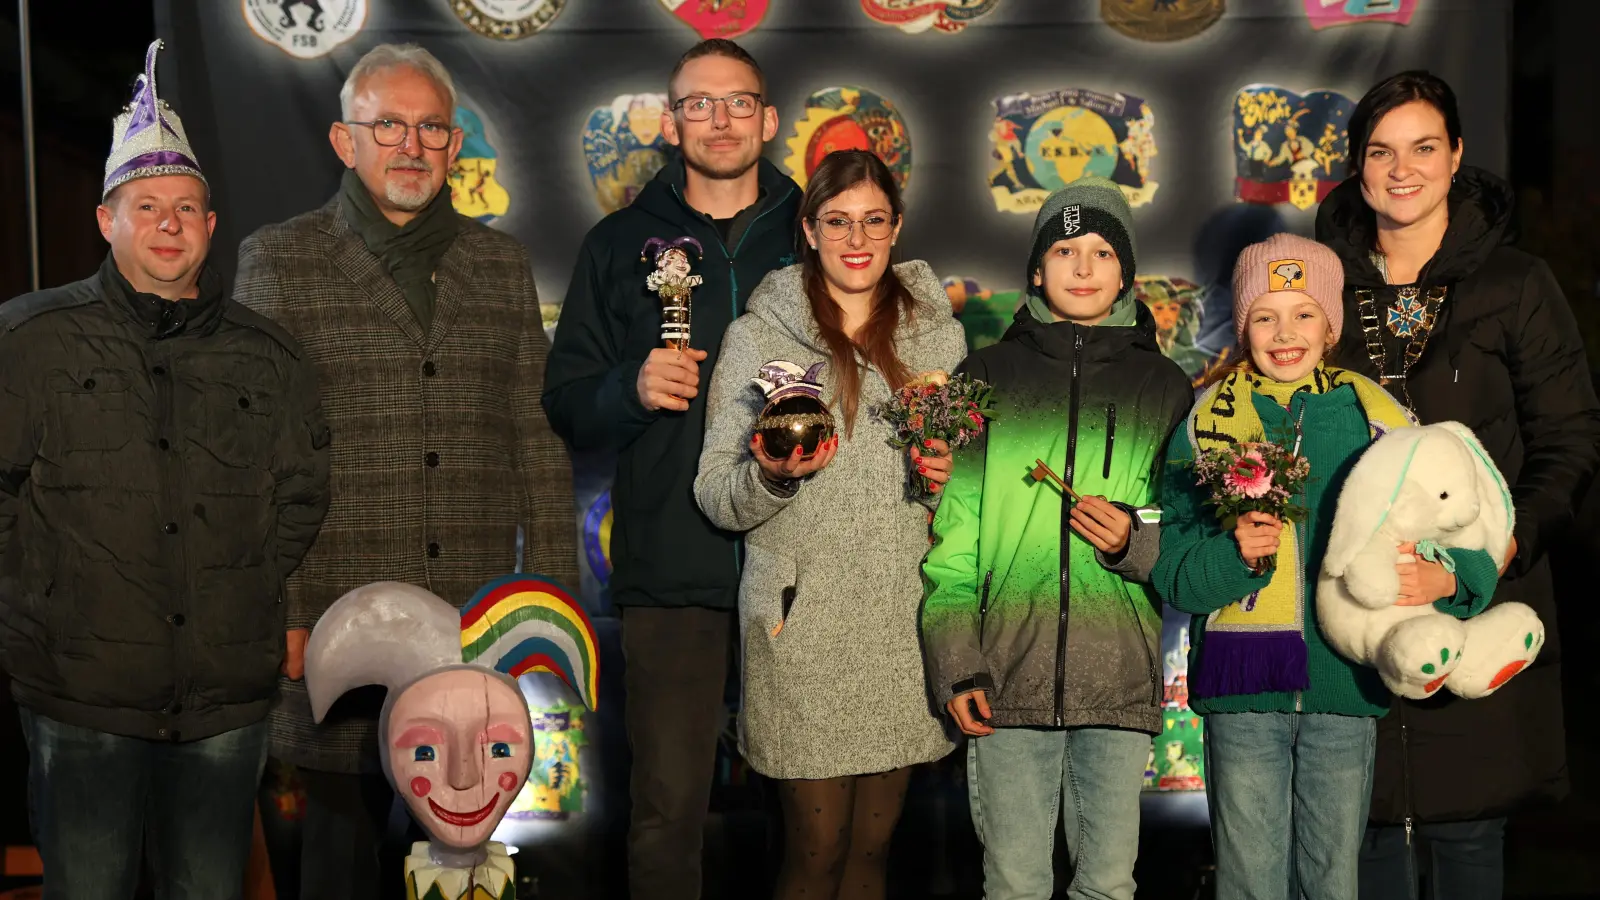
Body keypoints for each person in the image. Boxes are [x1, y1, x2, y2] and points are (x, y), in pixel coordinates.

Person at [234, 42, 577, 900]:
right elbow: (255, 458)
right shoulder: (280, 261)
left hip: (477, 624)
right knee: (341, 862)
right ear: (345, 141)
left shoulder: (499, 266)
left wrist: (553, 611)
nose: (411, 144)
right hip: (339, 626)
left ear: (456, 147)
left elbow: (536, 439)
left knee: (469, 860)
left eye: (431, 127)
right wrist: (285, 610)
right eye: (388, 124)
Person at [0, 39, 330, 898]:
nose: (169, 224)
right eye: (146, 206)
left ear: (212, 225)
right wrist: (40, 604)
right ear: (106, 220)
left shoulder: (270, 356)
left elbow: (302, 495)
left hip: (222, 705)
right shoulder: (28, 340)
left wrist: (245, 584)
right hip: (80, 698)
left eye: (186, 207)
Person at [1315, 71, 1600, 900]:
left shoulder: (1514, 284)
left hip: (1479, 600)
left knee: (1471, 836)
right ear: (1358, 167)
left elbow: (1571, 438)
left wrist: (1492, 554)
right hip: (1358, 617)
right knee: (1363, 835)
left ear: (1457, 157)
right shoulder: (1322, 288)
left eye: (1423, 148)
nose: (1401, 169)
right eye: (1381, 151)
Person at [1152, 233, 1502, 900]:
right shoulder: (1206, 423)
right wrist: (1232, 557)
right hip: (1242, 688)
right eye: (1264, 315)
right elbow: (1173, 572)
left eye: (1304, 312)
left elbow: (1460, 524)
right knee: (1251, 879)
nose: (1285, 333)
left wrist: (1453, 580)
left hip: (1345, 682)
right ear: (1243, 323)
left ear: (1332, 323)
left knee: (1332, 878)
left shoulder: (1379, 418)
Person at [541, 38, 802, 900]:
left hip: (802, 565)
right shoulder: (619, 245)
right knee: (666, 811)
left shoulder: (819, 231)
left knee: (809, 810)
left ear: (767, 118)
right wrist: (632, 385)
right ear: (671, 119)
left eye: (738, 103)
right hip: (672, 564)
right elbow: (568, 400)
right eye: (700, 103)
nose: (720, 120)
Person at [694, 149, 966, 900]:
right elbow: (716, 492)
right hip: (801, 624)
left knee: (873, 857)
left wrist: (952, 482)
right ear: (809, 230)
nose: (857, 238)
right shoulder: (758, 336)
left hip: (898, 619)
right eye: (838, 221)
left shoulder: (937, 338)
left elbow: (967, 495)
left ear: (897, 227)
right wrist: (774, 475)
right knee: (814, 852)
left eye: (874, 221)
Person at [921, 175, 1193, 900]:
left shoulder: (1164, 388)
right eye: (1064, 250)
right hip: (1006, 679)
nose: (1082, 267)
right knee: (1014, 883)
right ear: (1036, 270)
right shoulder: (983, 379)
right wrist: (958, 664)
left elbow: (1188, 533)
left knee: (1107, 884)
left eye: (1102, 252)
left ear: (1127, 274)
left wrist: (1134, 538)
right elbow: (952, 543)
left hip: (1117, 680)